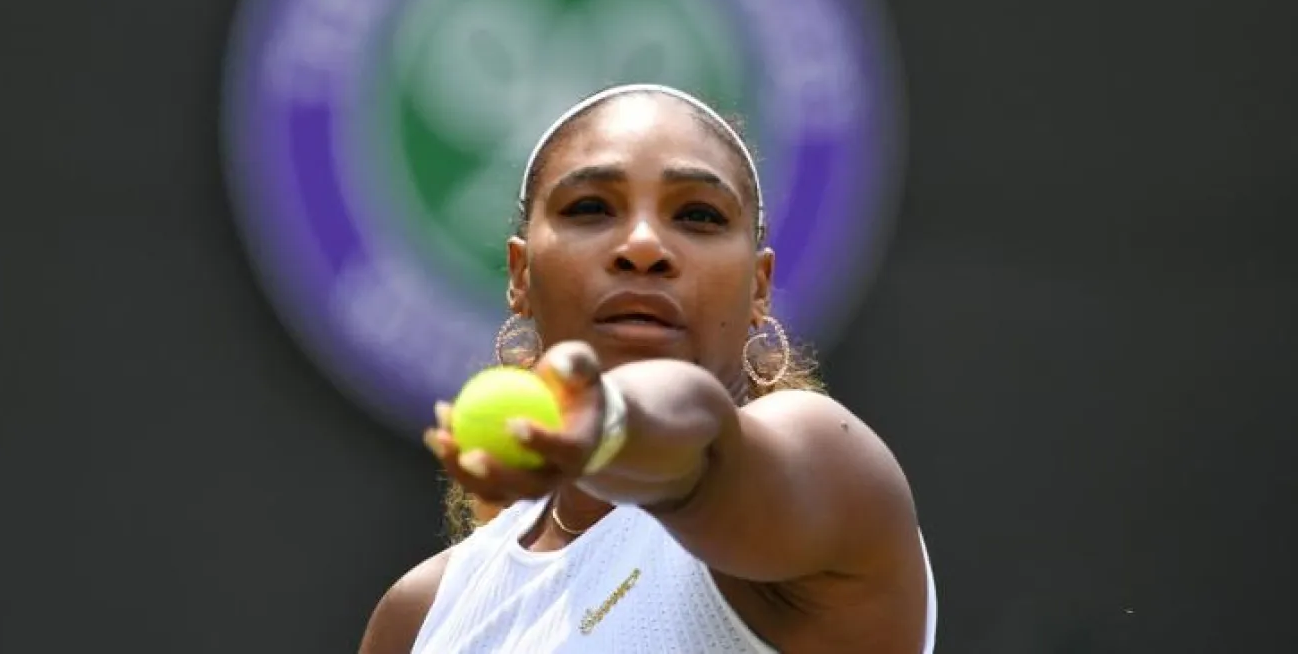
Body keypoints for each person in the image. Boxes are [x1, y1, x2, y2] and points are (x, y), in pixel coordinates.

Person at [358, 84, 937, 653]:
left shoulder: (829, 468)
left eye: (699, 216)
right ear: (520, 273)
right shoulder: (419, 617)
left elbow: (700, 436)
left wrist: (608, 423)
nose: (642, 244)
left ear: (759, 287)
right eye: (590, 207)